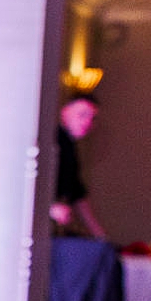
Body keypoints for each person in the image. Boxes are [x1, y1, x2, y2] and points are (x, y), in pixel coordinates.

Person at [50, 98, 106, 238]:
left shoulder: (69, 146)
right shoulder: (52, 141)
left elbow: (77, 192)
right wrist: (49, 208)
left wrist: (99, 235)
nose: (87, 122)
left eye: (92, 118)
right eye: (82, 115)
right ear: (65, 112)